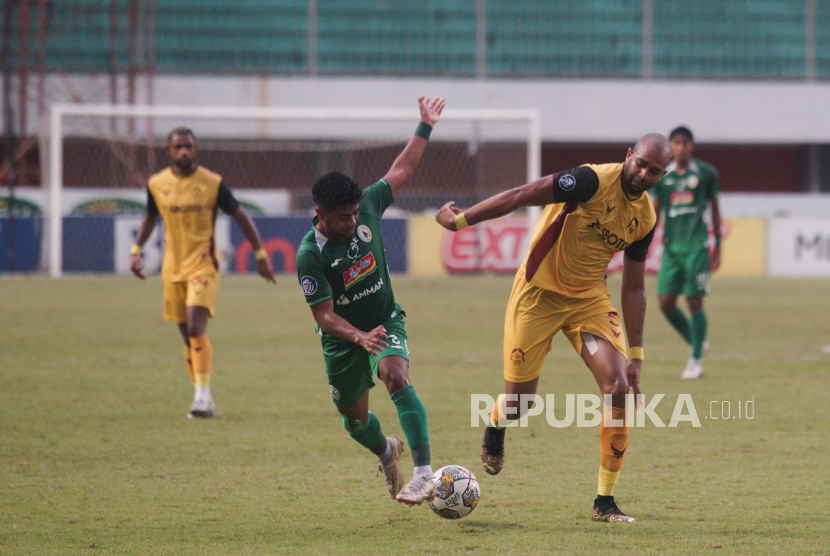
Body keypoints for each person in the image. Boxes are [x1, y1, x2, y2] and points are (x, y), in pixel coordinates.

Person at [435, 134, 672, 523]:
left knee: (618, 388)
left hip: (588, 300)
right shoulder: (590, 180)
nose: (645, 174)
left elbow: (633, 287)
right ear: (629, 155)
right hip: (537, 295)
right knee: (521, 403)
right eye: (641, 163)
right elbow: (524, 193)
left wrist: (638, 356)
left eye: (655, 171)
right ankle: (496, 424)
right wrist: (461, 220)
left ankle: (604, 502)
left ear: (662, 175)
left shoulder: (645, 218)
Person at [296, 95, 444, 506]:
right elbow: (324, 315)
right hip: (344, 340)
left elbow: (402, 169)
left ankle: (424, 473)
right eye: (343, 216)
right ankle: (386, 451)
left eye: (356, 212)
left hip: (384, 322)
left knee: (396, 375)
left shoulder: (368, 208)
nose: (353, 221)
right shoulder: (310, 254)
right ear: (320, 212)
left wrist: (425, 126)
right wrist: (358, 336)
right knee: (355, 423)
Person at [131, 127, 276, 419]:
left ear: (195, 149)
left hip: (203, 265)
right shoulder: (157, 183)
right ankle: (204, 397)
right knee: (187, 337)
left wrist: (260, 255)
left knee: (197, 328)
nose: (184, 151)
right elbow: (150, 217)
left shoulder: (212, 183)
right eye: (178, 147)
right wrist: (136, 251)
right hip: (172, 270)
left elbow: (240, 215)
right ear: (169, 151)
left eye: (189, 146)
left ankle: (201, 397)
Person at [652, 126, 721, 380]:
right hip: (671, 249)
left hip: (696, 247)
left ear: (692, 145)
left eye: (685, 142)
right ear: (670, 146)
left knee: (694, 302)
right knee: (665, 303)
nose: (680, 147)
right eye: (676, 142)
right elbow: (654, 211)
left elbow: (714, 208)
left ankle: (695, 362)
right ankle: (696, 340)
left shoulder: (705, 173)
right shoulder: (663, 176)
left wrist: (718, 246)